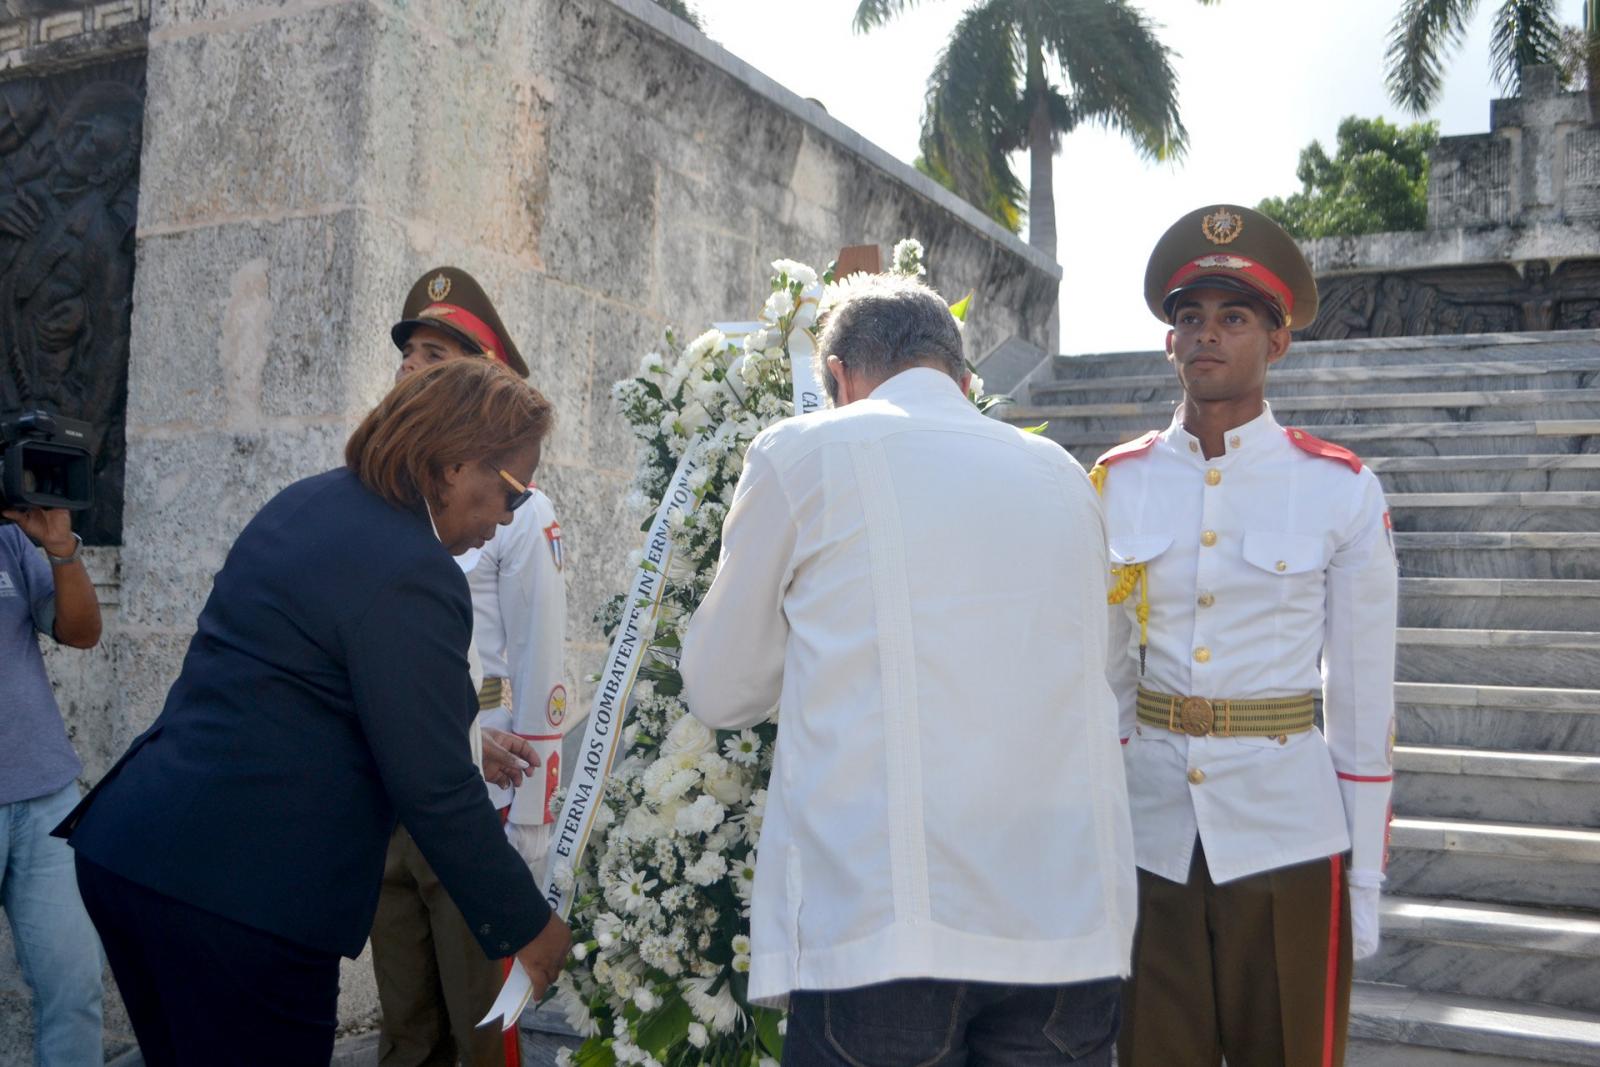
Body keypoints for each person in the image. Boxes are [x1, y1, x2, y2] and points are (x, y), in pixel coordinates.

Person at [54, 359, 573, 1067]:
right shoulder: (414, 568)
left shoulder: (309, 502)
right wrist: (526, 924)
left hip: (139, 854)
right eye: (512, 492)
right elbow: (435, 786)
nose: (508, 519)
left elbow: (312, 689)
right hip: (239, 900)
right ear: (452, 463)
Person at [680, 274, 1137, 1066]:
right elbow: (1107, 672)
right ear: (963, 380)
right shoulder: (1064, 474)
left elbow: (721, 690)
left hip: (886, 926)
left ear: (839, 380)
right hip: (1065, 923)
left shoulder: (804, 451)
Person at [1100, 204, 1398, 1067]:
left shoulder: (1339, 490)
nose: (1207, 335)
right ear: (1168, 342)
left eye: (1234, 317)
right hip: (1152, 837)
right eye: (1189, 317)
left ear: (1278, 343)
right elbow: (1110, 677)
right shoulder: (1117, 485)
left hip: (1288, 837)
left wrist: (1365, 877)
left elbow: (1361, 697)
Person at [373, 266, 572, 1067]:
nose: (410, 368)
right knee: (407, 1028)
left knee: (481, 1029)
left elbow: (540, 666)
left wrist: (528, 830)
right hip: (397, 790)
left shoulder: (521, 509)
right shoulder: (386, 495)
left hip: (479, 802)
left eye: (434, 355)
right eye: (410, 351)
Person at [0, 503, 103, 1065]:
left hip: (45, 796)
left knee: (75, 990)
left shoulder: (10, 542)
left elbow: (81, 632)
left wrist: (60, 549)